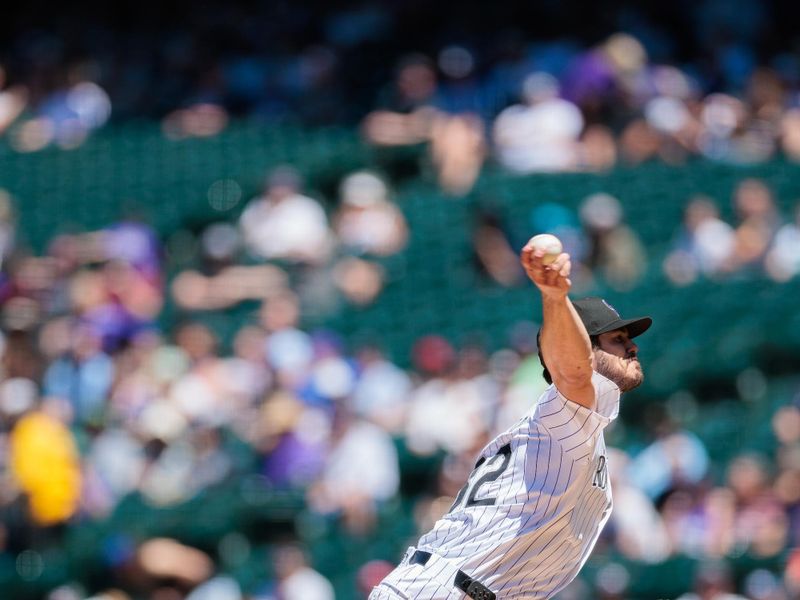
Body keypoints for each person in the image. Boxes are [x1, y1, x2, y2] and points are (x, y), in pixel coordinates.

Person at [369, 238, 652, 600]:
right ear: (585, 352)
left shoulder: (577, 428)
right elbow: (572, 372)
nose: (633, 347)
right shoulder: (564, 415)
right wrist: (554, 298)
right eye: (617, 338)